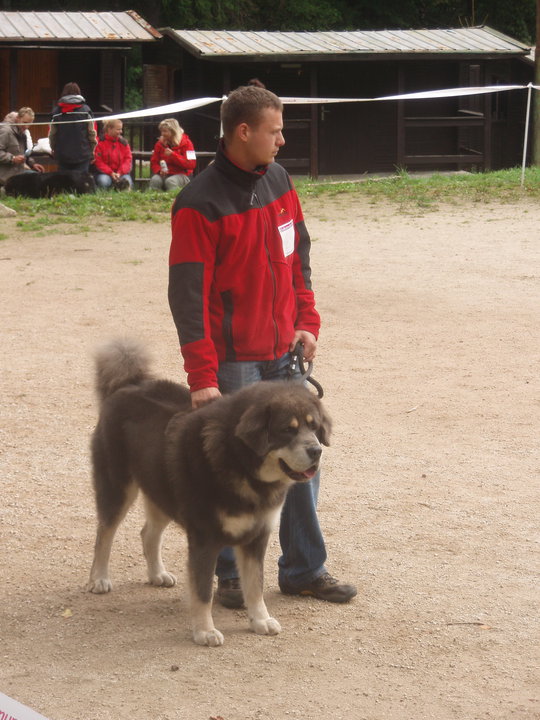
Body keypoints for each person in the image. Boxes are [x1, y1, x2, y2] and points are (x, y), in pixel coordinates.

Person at [168, 85, 357, 608]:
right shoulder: (198, 204)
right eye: (274, 130)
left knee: (305, 458)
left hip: (284, 352)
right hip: (233, 365)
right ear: (243, 132)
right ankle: (228, 574)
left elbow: (298, 256)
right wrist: (203, 376)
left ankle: (303, 569)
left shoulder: (279, 180)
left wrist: (307, 319)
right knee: (230, 466)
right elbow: (188, 297)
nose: (282, 139)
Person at [49, 82, 96, 173]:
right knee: (81, 184)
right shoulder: (86, 110)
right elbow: (91, 132)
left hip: (62, 154)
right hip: (83, 153)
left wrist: (53, 148)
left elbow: (52, 134)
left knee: (64, 183)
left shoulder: (56, 112)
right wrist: (92, 149)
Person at [0, 107, 44, 187]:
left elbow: (23, 153)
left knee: (39, 178)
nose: (26, 127)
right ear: (17, 118)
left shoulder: (22, 132)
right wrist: (12, 158)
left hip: (17, 173)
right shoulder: (5, 131)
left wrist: (32, 164)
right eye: (24, 122)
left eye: (29, 124)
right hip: (4, 176)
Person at [149, 118, 196, 191]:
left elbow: (192, 164)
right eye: (161, 131)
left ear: (173, 132)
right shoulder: (159, 144)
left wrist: (173, 155)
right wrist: (159, 170)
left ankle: (173, 200)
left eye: (165, 131)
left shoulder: (188, 143)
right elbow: (154, 162)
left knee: (170, 181)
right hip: (165, 174)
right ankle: (154, 200)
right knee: (155, 180)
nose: (162, 134)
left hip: (183, 175)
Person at [93, 118, 133, 191]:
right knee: (103, 181)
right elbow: (98, 162)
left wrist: (120, 173)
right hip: (105, 173)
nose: (121, 132)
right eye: (118, 129)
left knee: (128, 182)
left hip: (121, 173)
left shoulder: (124, 143)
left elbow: (128, 160)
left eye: (121, 129)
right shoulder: (99, 142)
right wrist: (111, 173)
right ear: (109, 129)